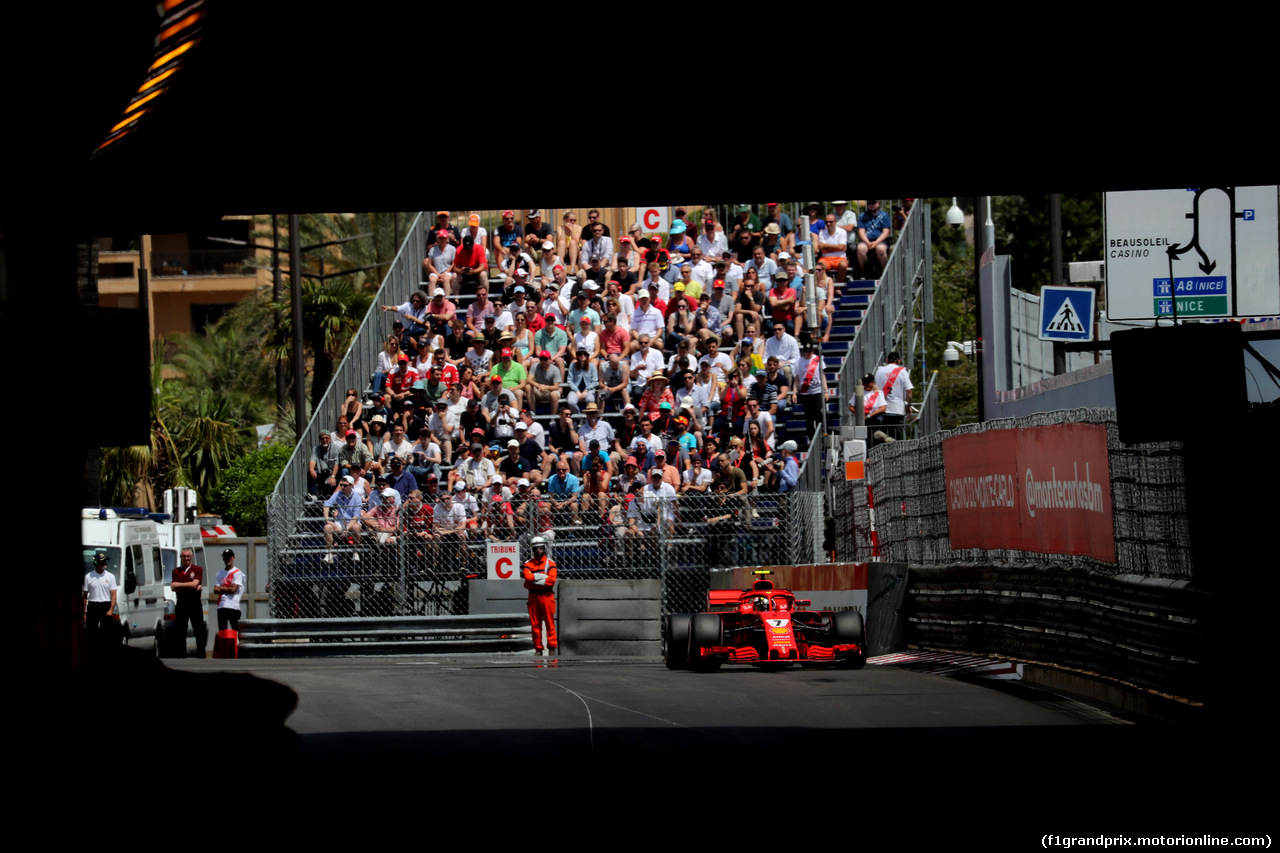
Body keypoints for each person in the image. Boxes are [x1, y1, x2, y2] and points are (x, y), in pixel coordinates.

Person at [521, 536, 558, 656]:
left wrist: (535, 579)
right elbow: (527, 578)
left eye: (540, 548)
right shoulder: (528, 564)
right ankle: (538, 648)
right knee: (535, 624)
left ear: (544, 548)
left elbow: (551, 580)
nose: (538, 550)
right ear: (533, 549)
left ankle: (552, 647)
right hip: (533, 597)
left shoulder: (550, 563)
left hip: (547, 596)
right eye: (536, 548)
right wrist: (543, 576)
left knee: (549, 623)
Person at [169, 547, 207, 658]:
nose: (186, 558)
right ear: (181, 557)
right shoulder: (176, 571)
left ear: (192, 557)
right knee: (180, 630)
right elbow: (173, 586)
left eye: (188, 556)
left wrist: (180, 585)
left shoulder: (197, 569)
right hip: (181, 603)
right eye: (184, 556)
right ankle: (180, 654)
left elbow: (194, 584)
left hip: (194, 603)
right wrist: (190, 585)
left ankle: (201, 654)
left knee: (199, 629)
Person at [83, 551, 118, 649]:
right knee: (91, 632)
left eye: (105, 562)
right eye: (102, 562)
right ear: (96, 563)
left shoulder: (110, 576)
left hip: (105, 605)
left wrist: (111, 609)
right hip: (93, 605)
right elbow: (85, 596)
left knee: (106, 633)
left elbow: (114, 594)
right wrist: (83, 613)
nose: (104, 564)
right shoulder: (88, 577)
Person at [874, 350, 914, 436]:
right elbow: (909, 390)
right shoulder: (902, 372)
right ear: (899, 361)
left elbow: (875, 389)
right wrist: (909, 405)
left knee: (883, 436)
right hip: (897, 409)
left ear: (887, 360)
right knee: (895, 436)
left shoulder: (879, 371)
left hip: (882, 409)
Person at [856, 198, 892, 277]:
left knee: (881, 249)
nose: (871, 205)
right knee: (860, 248)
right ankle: (864, 273)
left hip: (880, 240)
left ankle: (884, 273)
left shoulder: (884, 215)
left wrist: (876, 242)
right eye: (869, 203)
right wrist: (868, 242)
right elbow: (861, 231)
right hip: (866, 241)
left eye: (874, 202)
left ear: (878, 203)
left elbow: (886, 232)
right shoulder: (862, 216)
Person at [213, 548, 245, 634]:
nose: (228, 559)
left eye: (229, 557)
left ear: (233, 558)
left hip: (233, 605)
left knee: (235, 630)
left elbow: (233, 590)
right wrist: (227, 588)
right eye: (226, 557)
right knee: (222, 631)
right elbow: (215, 590)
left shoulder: (237, 572)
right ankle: (224, 647)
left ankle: (236, 646)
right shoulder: (219, 573)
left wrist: (221, 588)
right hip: (221, 605)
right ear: (223, 559)